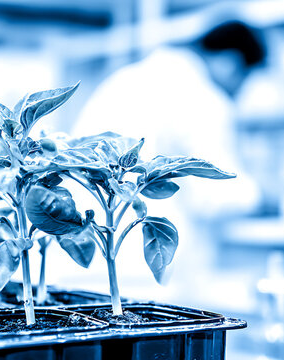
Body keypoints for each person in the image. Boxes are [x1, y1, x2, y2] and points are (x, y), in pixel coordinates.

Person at [61, 20, 266, 300]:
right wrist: (262, 196)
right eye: (245, 79)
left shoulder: (127, 79)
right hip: (143, 275)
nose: (241, 92)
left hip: (82, 255)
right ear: (231, 62)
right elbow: (216, 195)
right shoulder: (202, 96)